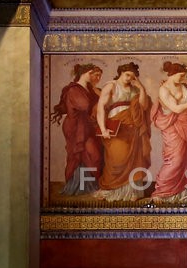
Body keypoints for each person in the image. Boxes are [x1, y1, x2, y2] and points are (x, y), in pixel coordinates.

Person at [93, 61, 152, 202]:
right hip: (116, 127)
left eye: (132, 77)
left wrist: (142, 88)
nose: (129, 79)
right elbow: (101, 107)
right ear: (120, 73)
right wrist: (103, 128)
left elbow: (143, 107)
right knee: (116, 160)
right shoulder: (111, 86)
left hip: (133, 130)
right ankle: (111, 192)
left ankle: (132, 193)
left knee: (134, 161)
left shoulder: (135, 89)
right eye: (127, 75)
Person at [51, 63, 103, 195]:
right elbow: (85, 106)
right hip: (76, 127)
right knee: (78, 156)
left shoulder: (90, 89)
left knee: (94, 155)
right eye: (93, 74)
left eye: (98, 75)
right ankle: (75, 187)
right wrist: (99, 99)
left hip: (87, 126)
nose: (96, 77)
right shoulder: (74, 89)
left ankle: (90, 185)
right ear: (85, 73)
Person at [150, 61, 187, 203]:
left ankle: (180, 194)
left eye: (184, 76)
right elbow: (176, 109)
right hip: (172, 128)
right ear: (172, 74)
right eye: (180, 76)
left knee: (186, 160)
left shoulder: (185, 86)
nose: (182, 79)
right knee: (175, 161)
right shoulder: (164, 89)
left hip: (186, 126)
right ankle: (161, 191)